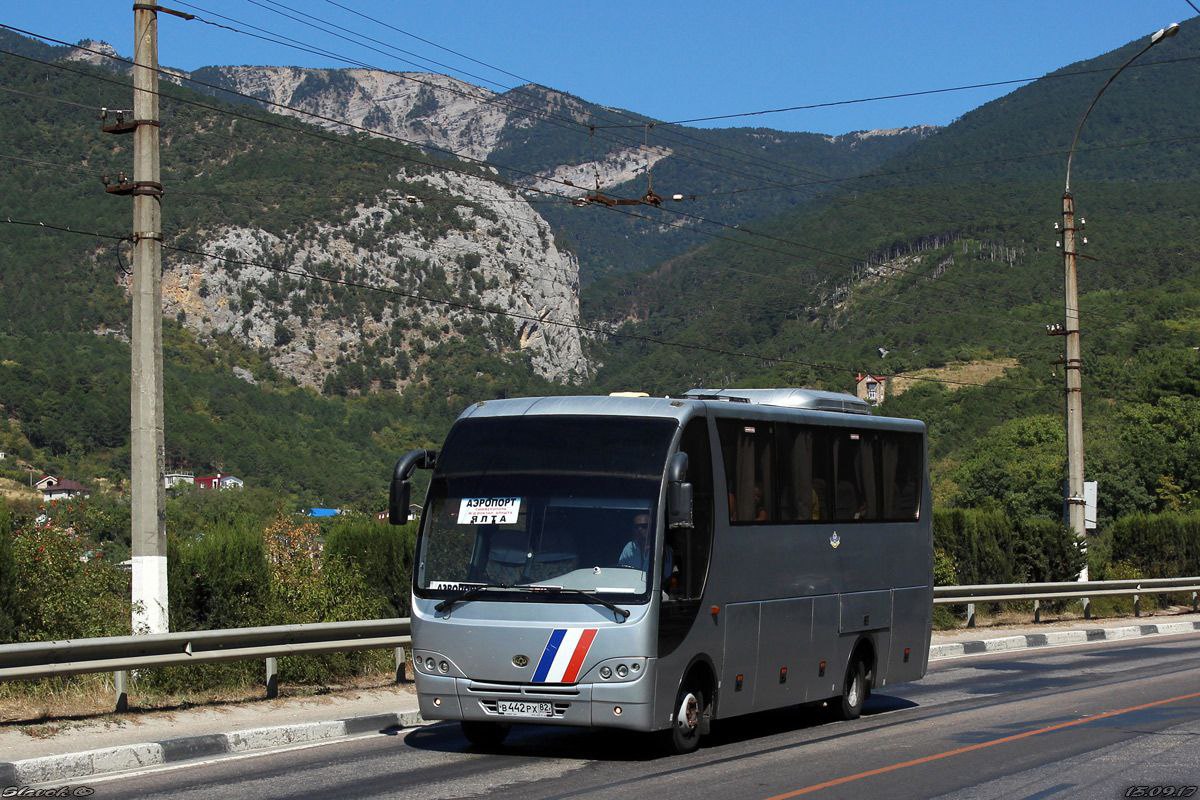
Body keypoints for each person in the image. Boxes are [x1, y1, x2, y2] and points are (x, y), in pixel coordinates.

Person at [619, 512, 673, 580]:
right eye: (637, 527)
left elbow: (667, 577)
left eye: (644, 526)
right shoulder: (629, 547)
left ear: (652, 527)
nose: (639, 529)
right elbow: (621, 571)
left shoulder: (664, 550)